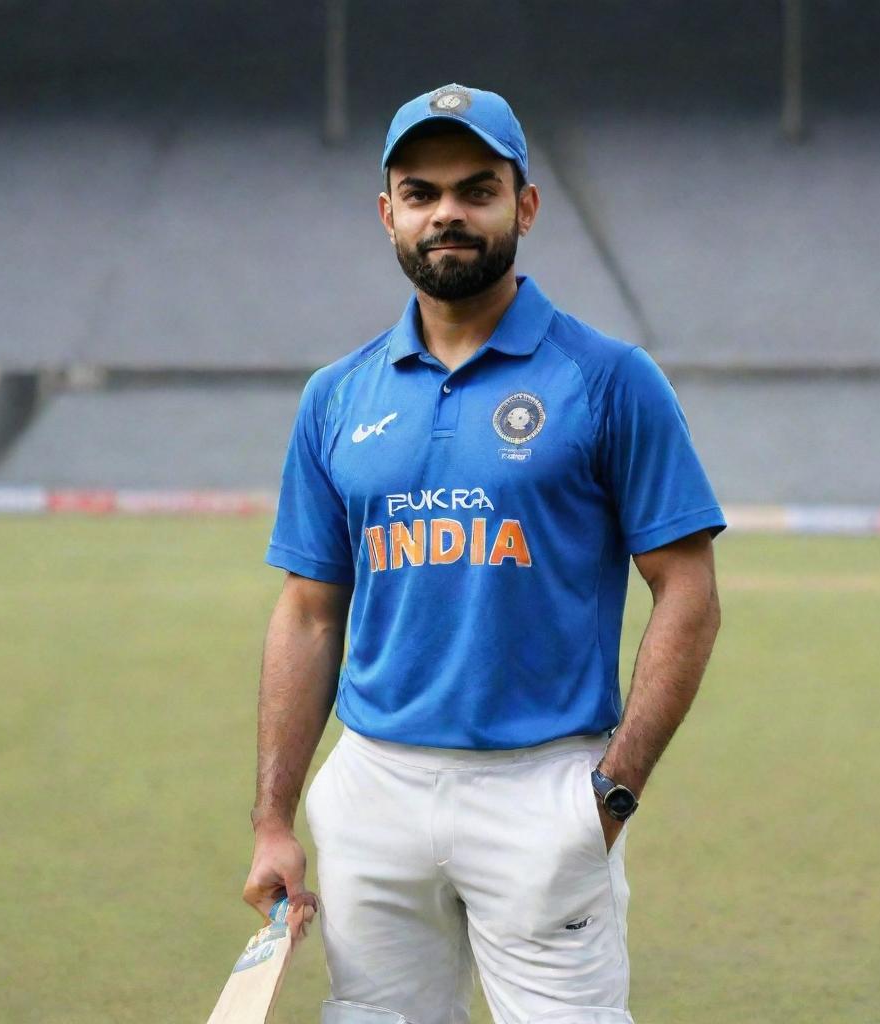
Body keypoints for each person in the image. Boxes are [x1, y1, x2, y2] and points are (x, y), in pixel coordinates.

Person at [243, 83, 725, 1024]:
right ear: (388, 214)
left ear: (525, 205)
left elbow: (688, 593)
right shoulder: (335, 396)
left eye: (477, 188)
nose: (448, 214)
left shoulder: (610, 379)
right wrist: (273, 818)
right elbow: (308, 610)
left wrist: (611, 793)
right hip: (373, 786)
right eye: (421, 193)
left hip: (544, 785)